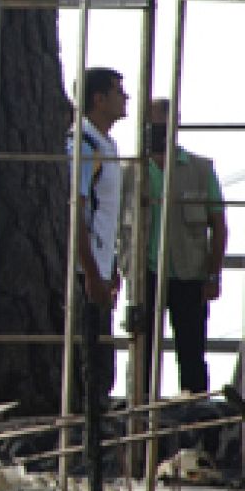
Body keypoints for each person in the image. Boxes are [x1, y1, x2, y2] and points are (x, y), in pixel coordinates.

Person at [121, 99, 225, 395]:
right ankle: (139, 412)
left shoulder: (201, 169)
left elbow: (218, 225)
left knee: (191, 351)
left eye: (159, 124)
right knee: (141, 350)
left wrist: (214, 274)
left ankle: (195, 416)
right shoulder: (130, 169)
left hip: (189, 275)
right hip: (145, 275)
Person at [70, 67, 128, 407]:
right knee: (90, 356)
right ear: (98, 99)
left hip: (100, 264)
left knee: (102, 354)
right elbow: (76, 210)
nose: (126, 99)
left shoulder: (106, 144)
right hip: (84, 268)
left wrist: (111, 265)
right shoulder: (84, 144)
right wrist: (91, 271)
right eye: (119, 92)